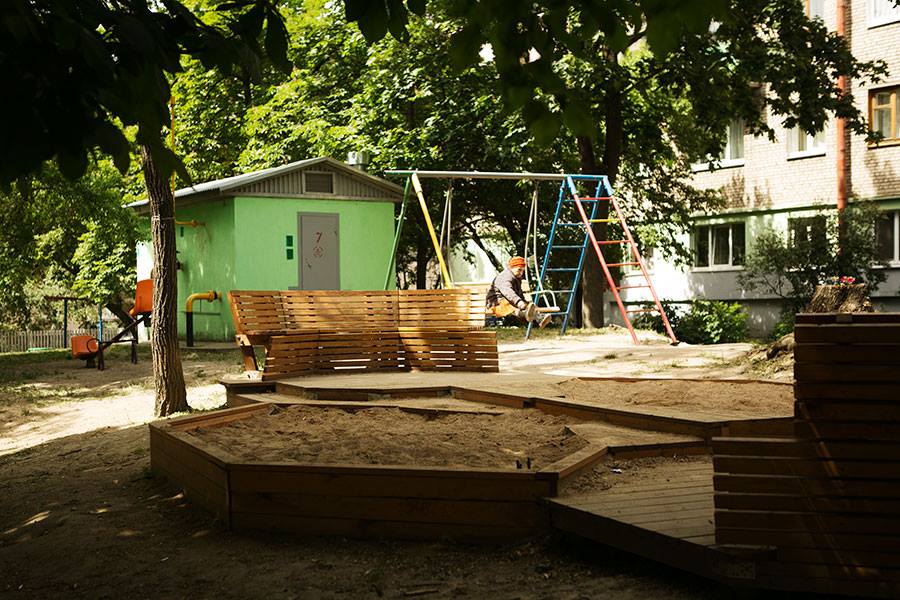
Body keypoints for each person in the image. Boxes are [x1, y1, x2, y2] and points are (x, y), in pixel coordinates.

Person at [486, 256, 552, 328]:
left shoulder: (516, 277)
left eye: (523, 271)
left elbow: (519, 292)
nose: (521, 273)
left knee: (529, 307)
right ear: (512, 267)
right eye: (519, 270)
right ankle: (539, 318)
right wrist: (519, 302)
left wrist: (525, 303)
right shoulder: (505, 277)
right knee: (512, 308)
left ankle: (540, 319)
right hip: (496, 304)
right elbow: (508, 291)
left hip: (510, 302)